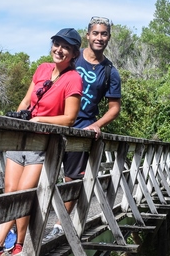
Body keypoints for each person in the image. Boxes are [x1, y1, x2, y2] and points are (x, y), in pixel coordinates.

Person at [0, 28, 83, 256]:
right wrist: (17, 121)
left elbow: (69, 119)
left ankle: (3, 245)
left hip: (42, 143)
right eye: (57, 44)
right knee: (11, 192)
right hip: (21, 139)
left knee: (23, 193)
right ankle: (10, 244)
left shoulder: (73, 79)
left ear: (74, 53)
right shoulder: (43, 69)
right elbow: (26, 101)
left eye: (66, 47)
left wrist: (40, 120)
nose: (59, 50)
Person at [47, 16, 122, 240]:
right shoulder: (72, 57)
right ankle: (28, 228)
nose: (99, 37)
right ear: (87, 35)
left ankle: (59, 226)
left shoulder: (110, 72)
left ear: (108, 37)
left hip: (82, 130)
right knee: (41, 175)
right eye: (95, 33)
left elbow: (114, 108)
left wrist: (96, 125)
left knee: (72, 179)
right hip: (55, 122)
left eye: (104, 34)